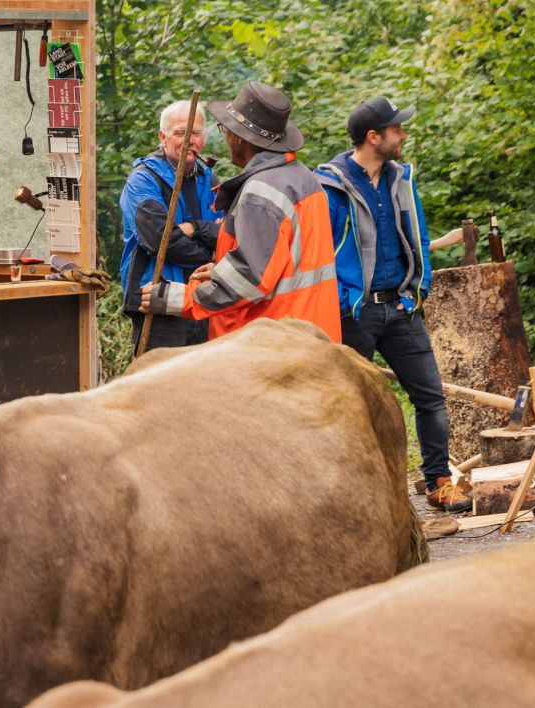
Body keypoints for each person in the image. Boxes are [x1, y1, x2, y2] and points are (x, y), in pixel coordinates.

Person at [315, 97, 463, 513]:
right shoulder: (328, 185)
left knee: (430, 397)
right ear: (373, 137)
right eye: (396, 129)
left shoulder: (400, 178)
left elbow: (419, 237)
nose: (403, 135)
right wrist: (344, 303)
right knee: (349, 406)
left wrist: (418, 291)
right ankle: (353, 496)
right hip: (354, 314)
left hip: (400, 308)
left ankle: (438, 482)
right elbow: (319, 251)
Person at [141, 81, 340, 342]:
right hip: (312, 334)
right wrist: (221, 270)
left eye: (226, 130)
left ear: (240, 138)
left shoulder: (262, 193)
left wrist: (181, 298)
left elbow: (251, 278)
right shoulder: (303, 179)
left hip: (275, 342)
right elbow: (279, 261)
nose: (226, 139)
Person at [118, 100, 221, 351]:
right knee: (160, 375)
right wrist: (210, 255)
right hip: (157, 300)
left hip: (202, 299)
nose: (189, 141)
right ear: (162, 137)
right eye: (180, 133)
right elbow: (162, 241)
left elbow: (227, 233)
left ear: (204, 138)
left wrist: (195, 228)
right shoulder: (144, 181)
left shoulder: (210, 181)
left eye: (195, 133)